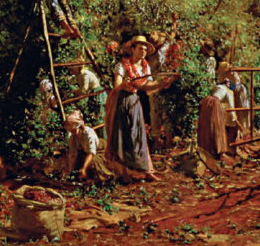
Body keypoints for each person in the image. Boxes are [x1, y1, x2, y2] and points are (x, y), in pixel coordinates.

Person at [105, 35, 179, 183]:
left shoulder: (145, 67)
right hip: (122, 102)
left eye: (145, 49)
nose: (143, 51)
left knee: (139, 137)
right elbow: (116, 86)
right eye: (140, 48)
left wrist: (163, 83)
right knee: (124, 137)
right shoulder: (122, 66)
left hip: (135, 102)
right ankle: (124, 172)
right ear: (132, 49)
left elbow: (146, 87)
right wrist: (124, 84)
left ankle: (147, 170)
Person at [147, 15, 178, 143]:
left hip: (166, 81)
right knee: (154, 111)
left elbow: (172, 35)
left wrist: (174, 22)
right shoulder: (149, 54)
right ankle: (156, 139)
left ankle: (169, 139)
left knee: (167, 110)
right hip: (154, 83)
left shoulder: (166, 47)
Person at [197, 78, 243, 159]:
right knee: (218, 127)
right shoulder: (228, 91)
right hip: (214, 103)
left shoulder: (217, 87)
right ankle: (220, 153)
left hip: (206, 102)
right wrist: (236, 121)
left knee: (208, 126)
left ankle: (208, 150)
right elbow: (231, 107)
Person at [63, 110, 114, 182]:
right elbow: (72, 154)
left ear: (78, 127)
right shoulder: (73, 137)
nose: (71, 131)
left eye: (73, 130)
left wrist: (84, 168)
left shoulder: (89, 134)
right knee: (77, 166)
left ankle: (106, 178)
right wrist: (71, 171)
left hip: (99, 151)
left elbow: (91, 153)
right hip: (85, 152)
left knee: (94, 162)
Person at [68, 62, 107, 139]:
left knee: (100, 117)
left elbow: (84, 89)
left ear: (79, 68)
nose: (72, 70)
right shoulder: (78, 75)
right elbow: (71, 81)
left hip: (98, 94)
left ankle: (104, 140)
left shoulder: (86, 74)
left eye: (73, 68)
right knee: (93, 116)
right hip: (93, 95)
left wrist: (75, 92)